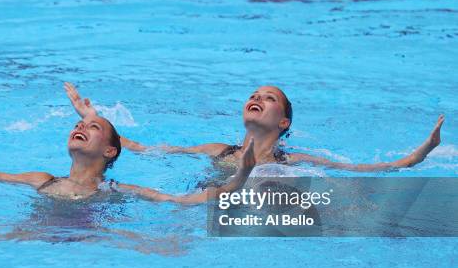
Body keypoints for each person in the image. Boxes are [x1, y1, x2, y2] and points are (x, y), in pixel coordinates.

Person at [0, 84, 256, 204]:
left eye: (93, 126)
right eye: (78, 124)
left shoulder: (115, 191)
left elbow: (184, 200)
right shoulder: (41, 179)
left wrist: (241, 178)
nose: (79, 127)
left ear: (110, 151)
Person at [64, 82, 445, 172]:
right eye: (255, 94)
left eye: (269, 97)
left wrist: (420, 152)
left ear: (283, 122)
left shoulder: (291, 161)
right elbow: (144, 149)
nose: (258, 97)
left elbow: (369, 170)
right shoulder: (217, 151)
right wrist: (92, 116)